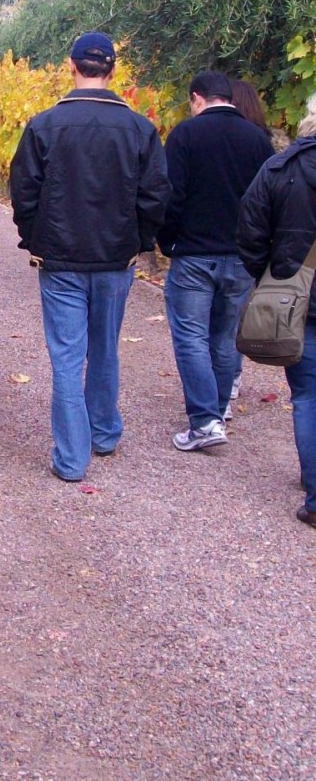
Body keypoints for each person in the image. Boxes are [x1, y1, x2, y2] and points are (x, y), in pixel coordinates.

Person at [9, 32, 170, 481]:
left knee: (66, 357)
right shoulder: (139, 129)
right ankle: (102, 432)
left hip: (60, 260)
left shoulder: (44, 126)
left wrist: (35, 237)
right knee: (104, 349)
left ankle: (72, 459)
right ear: (113, 71)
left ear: (71, 66)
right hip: (115, 259)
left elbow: (23, 192)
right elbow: (156, 195)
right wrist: (137, 240)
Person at [158, 71, 274, 451]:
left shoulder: (185, 136)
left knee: (191, 337)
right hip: (240, 255)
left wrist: (166, 240)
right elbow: (267, 201)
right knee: (225, 339)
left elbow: (171, 196)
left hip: (193, 254)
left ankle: (205, 421)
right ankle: (219, 412)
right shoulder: (258, 140)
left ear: (197, 98)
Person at [237, 100, 316, 526]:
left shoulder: (281, 168)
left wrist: (271, 277)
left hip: (296, 300)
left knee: (307, 396)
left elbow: (249, 230)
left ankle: (315, 491)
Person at [226, 78, 272, 410]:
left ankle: (216, 394)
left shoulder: (199, 135)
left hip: (205, 244)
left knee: (206, 326)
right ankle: (231, 382)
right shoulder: (262, 143)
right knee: (234, 318)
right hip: (246, 245)